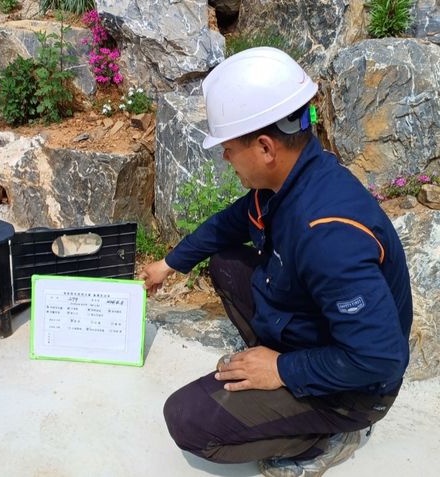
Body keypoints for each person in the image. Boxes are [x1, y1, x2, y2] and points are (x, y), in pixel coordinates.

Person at [138, 47, 412, 477]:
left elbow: (379, 360)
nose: (225, 159)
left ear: (265, 147)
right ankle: (285, 380)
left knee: (188, 420)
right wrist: (169, 265)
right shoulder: (287, 181)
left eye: (228, 148)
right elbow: (225, 226)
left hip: (359, 386)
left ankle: (323, 436)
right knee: (226, 263)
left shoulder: (327, 235)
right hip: (319, 332)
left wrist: (282, 369)